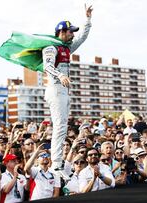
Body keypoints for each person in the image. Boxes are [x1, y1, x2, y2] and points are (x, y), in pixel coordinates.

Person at [42, 4, 93, 176]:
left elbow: (83, 38)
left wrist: (88, 19)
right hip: (55, 88)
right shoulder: (51, 47)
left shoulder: (66, 48)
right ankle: (56, 165)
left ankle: (58, 164)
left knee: (62, 126)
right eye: (70, 32)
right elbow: (47, 66)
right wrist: (60, 75)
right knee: (60, 127)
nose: (73, 34)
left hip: (63, 91)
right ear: (61, 32)